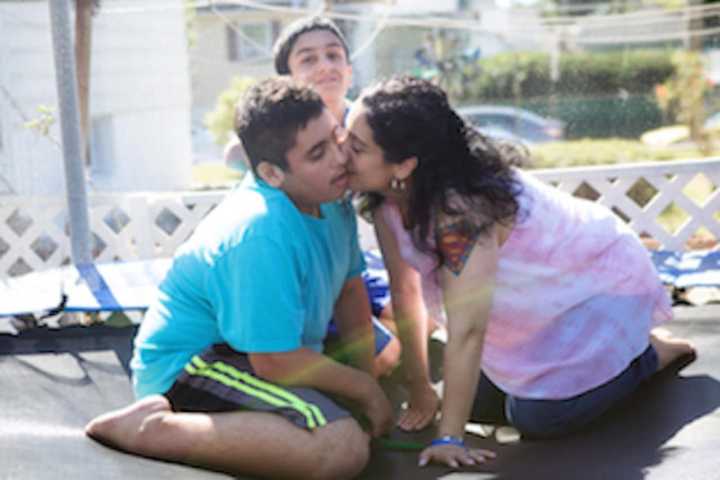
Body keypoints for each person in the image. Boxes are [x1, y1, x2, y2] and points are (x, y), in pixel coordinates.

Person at [343, 75, 696, 468]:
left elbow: (469, 328)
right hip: (537, 309)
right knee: (475, 403)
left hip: (594, 286)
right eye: (345, 136)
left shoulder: (460, 210)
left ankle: (648, 353)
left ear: (405, 164)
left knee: (540, 418)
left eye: (356, 147)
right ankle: (616, 353)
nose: (342, 151)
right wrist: (420, 386)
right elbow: (404, 290)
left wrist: (449, 437)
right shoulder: (385, 201)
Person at [85, 77, 393, 480]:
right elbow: (274, 362)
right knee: (341, 447)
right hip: (194, 367)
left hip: (257, 354)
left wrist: (367, 378)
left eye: (336, 138)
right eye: (318, 153)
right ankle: (151, 429)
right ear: (272, 172)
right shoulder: (260, 231)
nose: (340, 158)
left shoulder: (332, 201)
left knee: (387, 358)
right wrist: (364, 390)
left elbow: (351, 290)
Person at [272, 15, 402, 378]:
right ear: (286, 78)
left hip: (354, 267)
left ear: (348, 67)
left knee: (407, 318)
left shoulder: (370, 124)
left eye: (333, 55)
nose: (325, 66)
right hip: (308, 280)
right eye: (308, 59)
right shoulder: (275, 141)